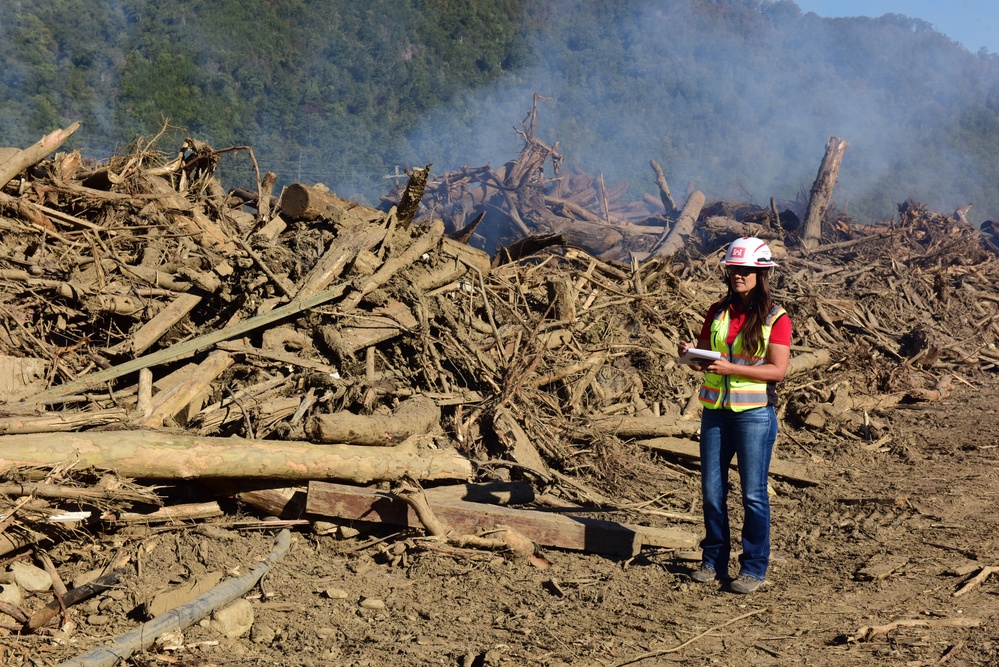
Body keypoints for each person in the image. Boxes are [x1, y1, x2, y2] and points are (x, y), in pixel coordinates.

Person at [678, 237, 792, 594]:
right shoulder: (717, 311)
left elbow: (777, 371)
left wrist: (730, 369)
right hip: (714, 411)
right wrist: (692, 356)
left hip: (754, 415)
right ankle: (713, 560)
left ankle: (754, 568)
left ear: (761, 273)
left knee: (753, 494)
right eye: (733, 269)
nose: (738, 275)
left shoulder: (777, 317)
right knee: (712, 491)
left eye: (745, 270)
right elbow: (710, 359)